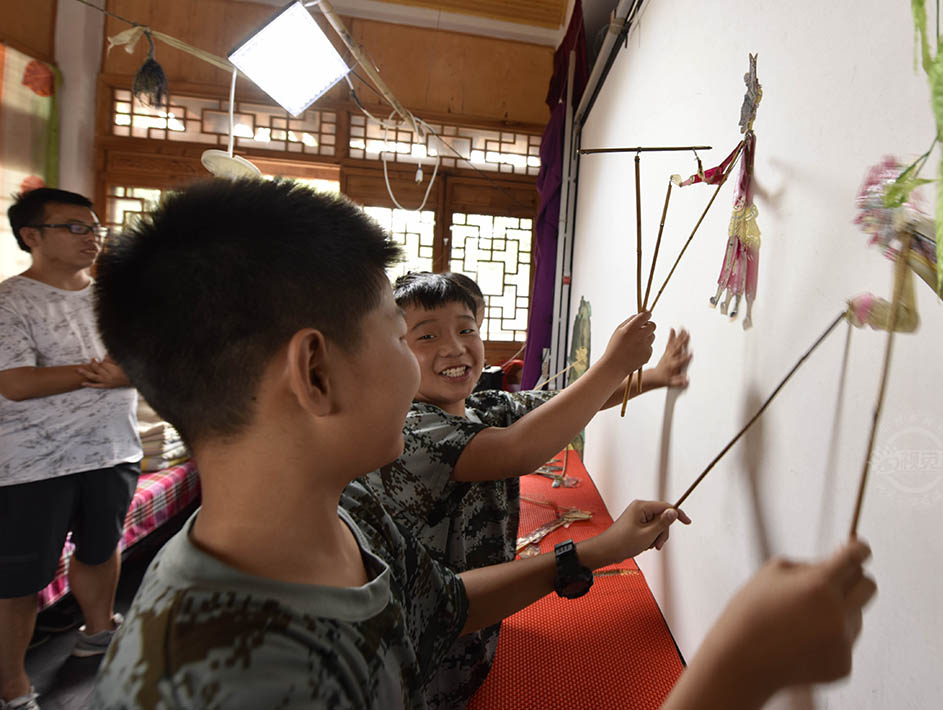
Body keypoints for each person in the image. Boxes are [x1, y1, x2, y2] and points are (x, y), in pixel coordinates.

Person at [89, 178, 876, 710]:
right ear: (317, 373)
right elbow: (527, 439)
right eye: (400, 339)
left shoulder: (344, 518)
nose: (428, 360)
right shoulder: (228, 681)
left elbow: (444, 604)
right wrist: (740, 670)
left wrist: (596, 553)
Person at [360, 270, 691, 706]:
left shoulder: (483, 406)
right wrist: (613, 363)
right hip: (419, 662)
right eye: (426, 337)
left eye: (466, 329)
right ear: (393, 353)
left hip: (475, 628)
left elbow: (566, 402)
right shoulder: (411, 429)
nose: (455, 347)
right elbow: (519, 450)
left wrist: (654, 376)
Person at [0, 189, 140, 710]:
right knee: (18, 579)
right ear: (31, 236)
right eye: (75, 227)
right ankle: (13, 685)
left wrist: (120, 374)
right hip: (33, 461)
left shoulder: (114, 301)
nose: (93, 236)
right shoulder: (10, 301)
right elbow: (15, 382)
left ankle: (98, 632)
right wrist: (98, 374)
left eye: (95, 226)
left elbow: (141, 365)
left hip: (112, 449)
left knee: (101, 549)